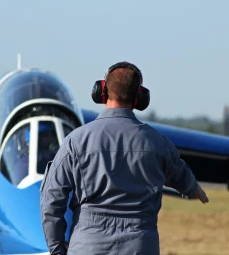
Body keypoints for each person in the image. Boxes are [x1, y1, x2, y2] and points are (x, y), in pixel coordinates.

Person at [40, 61, 209, 255]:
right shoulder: (157, 142)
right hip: (140, 246)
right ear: (139, 97)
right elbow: (179, 173)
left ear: (102, 91)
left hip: (88, 246)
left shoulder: (76, 141)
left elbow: (51, 201)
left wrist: (57, 249)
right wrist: (194, 189)